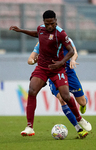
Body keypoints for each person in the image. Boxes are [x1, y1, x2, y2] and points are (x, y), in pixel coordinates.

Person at [10, 10, 88, 138]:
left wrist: (61, 62)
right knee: (31, 91)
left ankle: (80, 119)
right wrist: (21, 30)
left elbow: (70, 51)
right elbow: (37, 34)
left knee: (66, 96)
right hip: (42, 67)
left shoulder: (61, 33)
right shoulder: (41, 29)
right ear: (44, 23)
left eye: (52, 23)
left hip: (57, 69)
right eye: (47, 24)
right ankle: (29, 126)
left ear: (56, 21)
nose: (49, 26)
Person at [28, 38, 92, 132]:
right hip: (54, 74)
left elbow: (74, 53)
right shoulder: (42, 41)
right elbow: (30, 59)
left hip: (68, 72)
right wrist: (34, 61)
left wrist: (73, 60)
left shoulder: (65, 39)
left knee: (82, 102)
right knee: (62, 99)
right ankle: (78, 128)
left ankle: (84, 102)